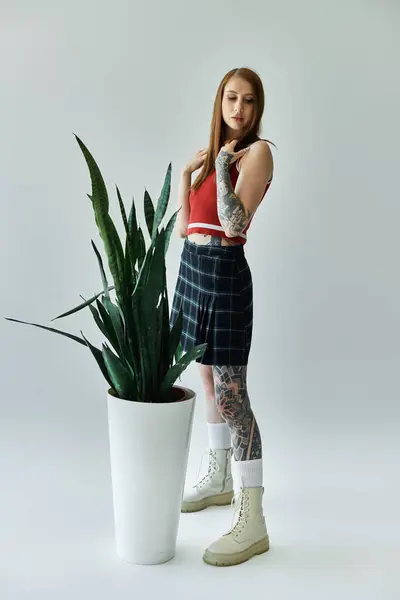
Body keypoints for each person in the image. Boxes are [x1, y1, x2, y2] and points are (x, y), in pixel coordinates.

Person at [170, 67, 274, 567]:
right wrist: (188, 175)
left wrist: (227, 169)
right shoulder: (215, 156)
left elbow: (234, 224)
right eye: (231, 98)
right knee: (207, 378)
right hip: (194, 266)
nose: (238, 108)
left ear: (257, 109)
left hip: (226, 272)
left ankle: (252, 519)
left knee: (233, 394)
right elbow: (184, 227)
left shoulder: (255, 153)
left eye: (248, 101)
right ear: (220, 102)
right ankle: (218, 476)